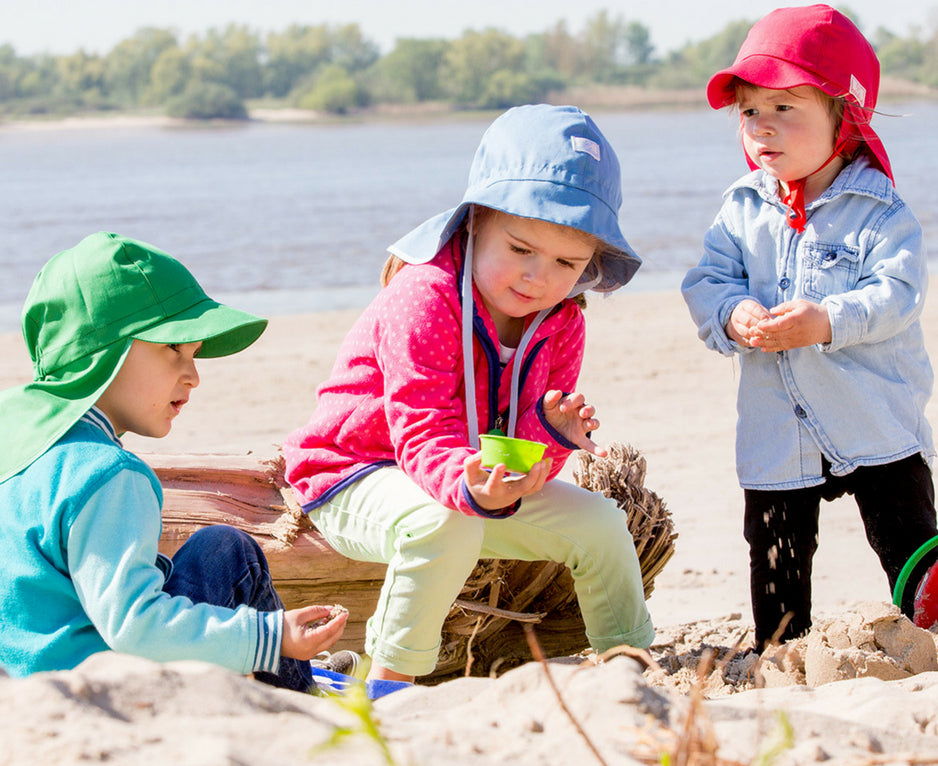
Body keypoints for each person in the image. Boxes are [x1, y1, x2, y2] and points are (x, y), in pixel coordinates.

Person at [284, 104, 654, 684]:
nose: (539, 277)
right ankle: (388, 683)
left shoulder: (562, 321)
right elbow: (422, 427)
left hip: (465, 481)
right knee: (446, 523)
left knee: (602, 524)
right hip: (355, 472)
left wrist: (549, 437)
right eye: (521, 248)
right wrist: (469, 487)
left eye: (567, 263)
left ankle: (629, 666)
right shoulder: (425, 296)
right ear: (476, 219)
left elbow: (514, 454)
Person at [681, 4, 938, 650]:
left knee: (908, 540)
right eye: (749, 111)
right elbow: (707, 281)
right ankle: (783, 650)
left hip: (872, 417)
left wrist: (826, 321)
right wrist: (732, 313)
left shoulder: (878, 209)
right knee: (775, 550)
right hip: (778, 427)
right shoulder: (740, 211)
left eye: (785, 107)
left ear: (843, 114)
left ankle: (928, 630)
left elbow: (899, 293)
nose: (761, 127)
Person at [0, 232, 347, 690]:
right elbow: (135, 626)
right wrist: (270, 634)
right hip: (104, 691)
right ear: (109, 352)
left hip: (25, 684)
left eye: (194, 354)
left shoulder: (19, 443)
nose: (194, 376)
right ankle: (300, 693)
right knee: (226, 550)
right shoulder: (108, 475)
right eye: (174, 349)